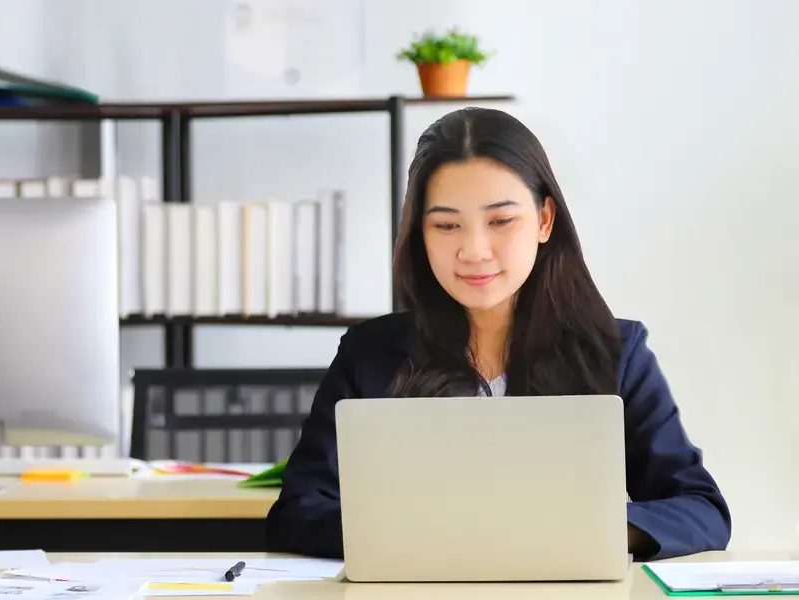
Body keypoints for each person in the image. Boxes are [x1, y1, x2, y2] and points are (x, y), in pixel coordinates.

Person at [264, 107, 731, 562]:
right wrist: (433, 535)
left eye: (501, 221)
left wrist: (585, 533)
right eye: (447, 225)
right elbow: (299, 511)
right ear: (419, 234)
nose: (474, 250)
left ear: (545, 220)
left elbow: (700, 510)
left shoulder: (615, 352)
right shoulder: (371, 354)